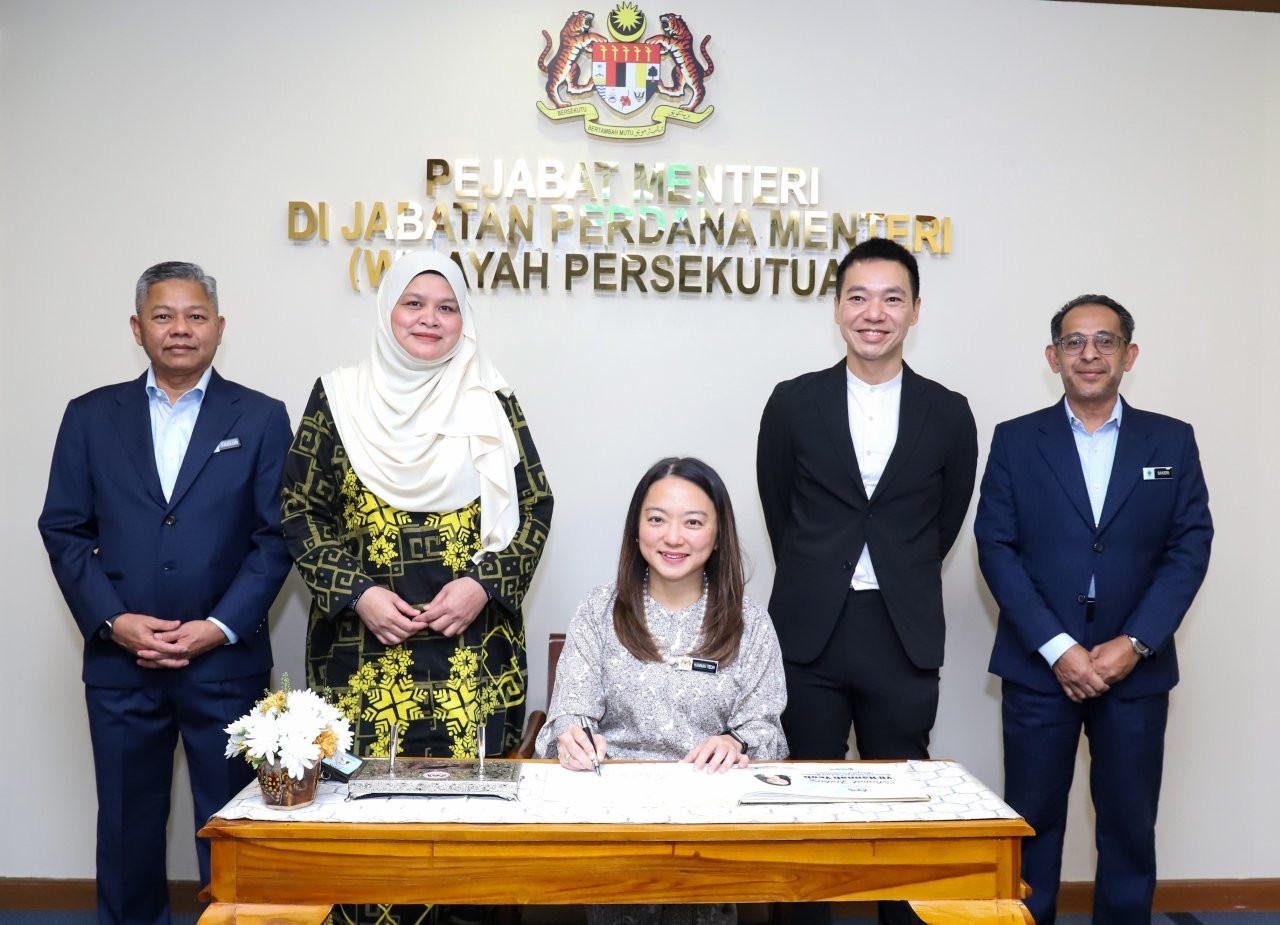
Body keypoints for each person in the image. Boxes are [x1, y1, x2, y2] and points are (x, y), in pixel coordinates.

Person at [281, 250, 553, 925]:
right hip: (363, 657)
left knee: (472, 841)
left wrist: (484, 584)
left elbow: (535, 505)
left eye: (447, 306)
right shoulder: (339, 397)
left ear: (464, 318)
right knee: (370, 835)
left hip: (474, 658)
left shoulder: (492, 398)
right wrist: (358, 593)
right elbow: (299, 508)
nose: (430, 319)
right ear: (387, 311)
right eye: (414, 303)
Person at [38, 260, 293, 925]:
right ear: (137, 327)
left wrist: (221, 625)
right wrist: (113, 620)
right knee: (126, 828)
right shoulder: (90, 416)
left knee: (234, 828)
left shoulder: (262, 417)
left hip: (226, 665)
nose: (180, 329)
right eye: (163, 315)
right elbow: (63, 528)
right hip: (122, 664)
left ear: (219, 327)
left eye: (195, 316)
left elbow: (277, 537)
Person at [756, 237, 977, 923]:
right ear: (836, 308)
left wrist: (897, 571)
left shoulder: (949, 411)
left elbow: (945, 520)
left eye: (891, 298)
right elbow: (779, 508)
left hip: (901, 631)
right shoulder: (793, 402)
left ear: (915, 310)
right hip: (808, 634)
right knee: (802, 803)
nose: (873, 313)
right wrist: (820, 571)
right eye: (858, 297)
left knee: (901, 809)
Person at [975, 294, 1212, 924]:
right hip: (1040, 670)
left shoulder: (1172, 440)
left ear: (1129, 355)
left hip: (1136, 671)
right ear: (1052, 357)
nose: (1089, 354)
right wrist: (1058, 647)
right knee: (1031, 827)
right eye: (1074, 342)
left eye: (1105, 341)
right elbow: (995, 547)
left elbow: (1190, 547)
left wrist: (1135, 642)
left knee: (1130, 828)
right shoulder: (1015, 440)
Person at [537, 456, 787, 925]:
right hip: (615, 824)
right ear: (636, 529)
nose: (673, 537)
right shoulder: (598, 610)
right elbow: (569, 714)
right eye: (657, 520)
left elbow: (767, 731)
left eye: (693, 522)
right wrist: (572, 736)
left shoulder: (750, 622)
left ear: (718, 534)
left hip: (710, 827)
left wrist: (735, 742)